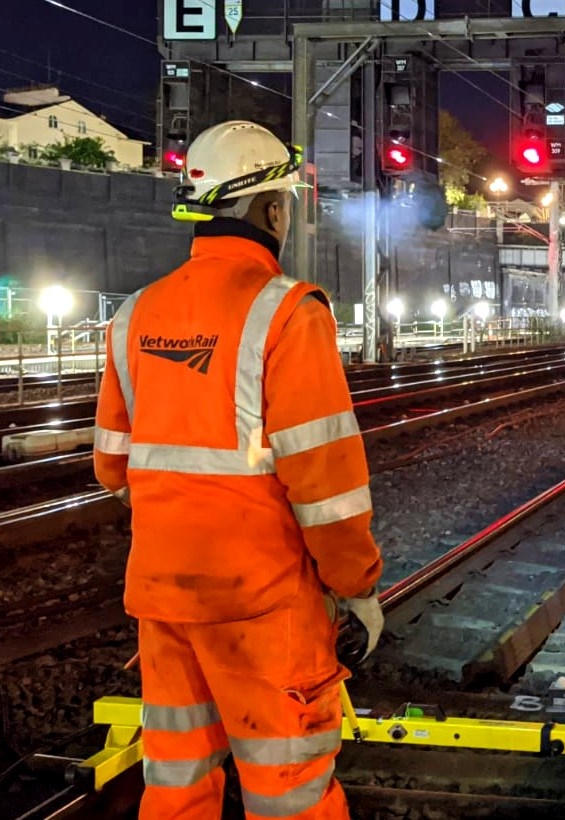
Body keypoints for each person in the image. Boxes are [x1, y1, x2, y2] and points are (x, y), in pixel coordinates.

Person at [93, 120, 384, 819]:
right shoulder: (287, 313)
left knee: (177, 782)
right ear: (273, 210)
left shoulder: (135, 315)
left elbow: (111, 466)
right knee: (290, 790)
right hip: (262, 602)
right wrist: (357, 585)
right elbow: (327, 486)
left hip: (164, 599)